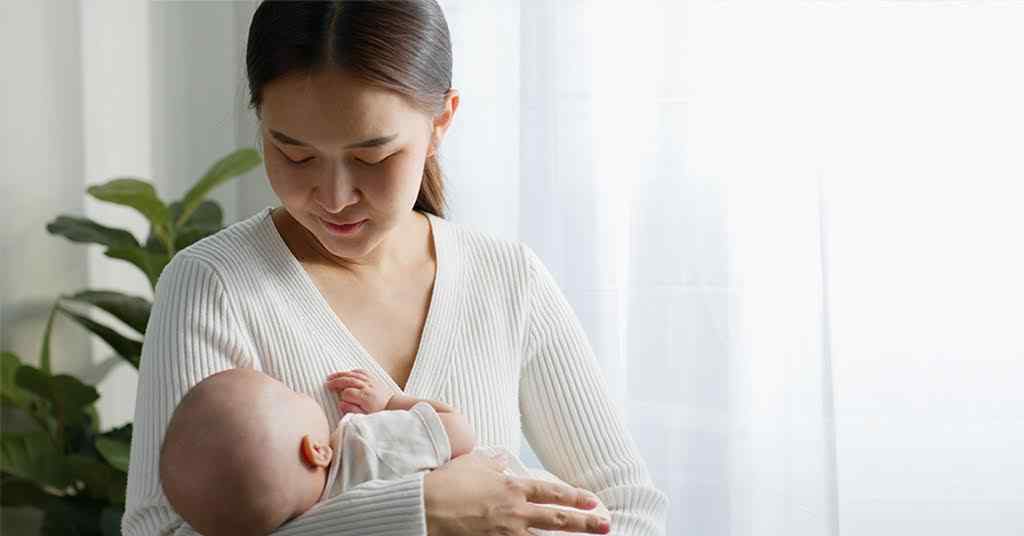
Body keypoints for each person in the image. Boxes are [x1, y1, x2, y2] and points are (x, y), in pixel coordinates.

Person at [122, 1, 669, 534]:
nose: (334, 198)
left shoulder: (507, 277)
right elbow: (162, 532)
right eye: (294, 155)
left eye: (372, 158)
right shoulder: (213, 284)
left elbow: (629, 507)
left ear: (440, 123)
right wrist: (420, 512)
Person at [158, 368, 611, 536]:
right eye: (290, 393)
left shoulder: (274, 520)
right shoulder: (363, 446)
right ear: (316, 451)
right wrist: (393, 403)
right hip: (531, 510)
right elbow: (458, 432)